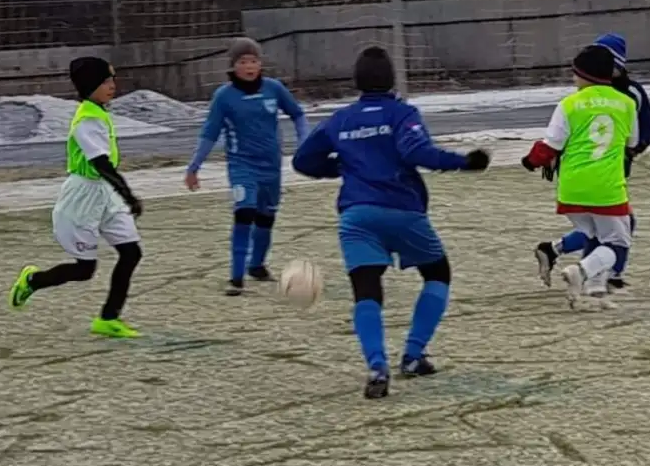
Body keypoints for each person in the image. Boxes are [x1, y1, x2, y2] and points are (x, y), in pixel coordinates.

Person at [292, 46, 490, 399]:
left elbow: (304, 160)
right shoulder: (402, 113)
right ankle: (413, 355)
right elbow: (417, 152)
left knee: (367, 289)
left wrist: (341, 166)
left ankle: (376, 364)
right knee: (437, 274)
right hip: (401, 209)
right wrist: (464, 162)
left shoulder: (340, 119)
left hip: (356, 215)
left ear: (357, 82)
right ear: (392, 80)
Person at [8, 57, 145, 338]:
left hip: (103, 193)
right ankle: (32, 280)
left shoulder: (98, 112)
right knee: (85, 270)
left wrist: (120, 193)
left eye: (112, 80)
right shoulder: (87, 119)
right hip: (83, 196)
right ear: (90, 85)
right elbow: (101, 164)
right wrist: (127, 194)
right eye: (105, 81)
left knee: (131, 252)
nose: (112, 86)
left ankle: (108, 318)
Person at [185, 37, 309, 296]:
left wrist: (304, 140)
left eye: (253, 61)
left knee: (266, 218)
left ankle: (257, 265)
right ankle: (236, 277)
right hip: (242, 165)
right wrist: (194, 166)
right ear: (233, 66)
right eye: (243, 61)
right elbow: (209, 133)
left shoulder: (273, 89)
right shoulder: (224, 97)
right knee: (244, 213)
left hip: (271, 165)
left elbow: (297, 114)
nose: (249, 66)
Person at [534, 33, 650, 292]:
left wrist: (631, 152)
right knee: (614, 228)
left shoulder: (629, 93)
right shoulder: (587, 93)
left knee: (601, 226)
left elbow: (644, 130)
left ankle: (557, 253)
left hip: (609, 169)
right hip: (598, 174)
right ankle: (600, 274)